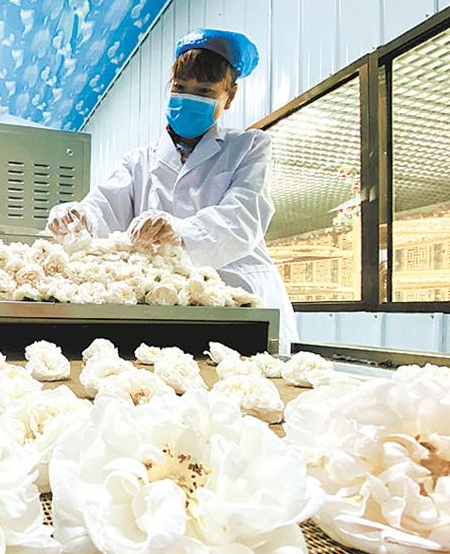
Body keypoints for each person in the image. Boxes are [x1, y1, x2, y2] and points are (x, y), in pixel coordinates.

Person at [46, 28, 297, 350]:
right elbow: (102, 208)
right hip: (167, 306)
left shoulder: (248, 147)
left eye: (204, 91)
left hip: (240, 302)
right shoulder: (139, 161)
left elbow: (243, 218)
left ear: (230, 96)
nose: (189, 98)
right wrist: (78, 216)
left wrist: (180, 231)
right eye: (180, 87)